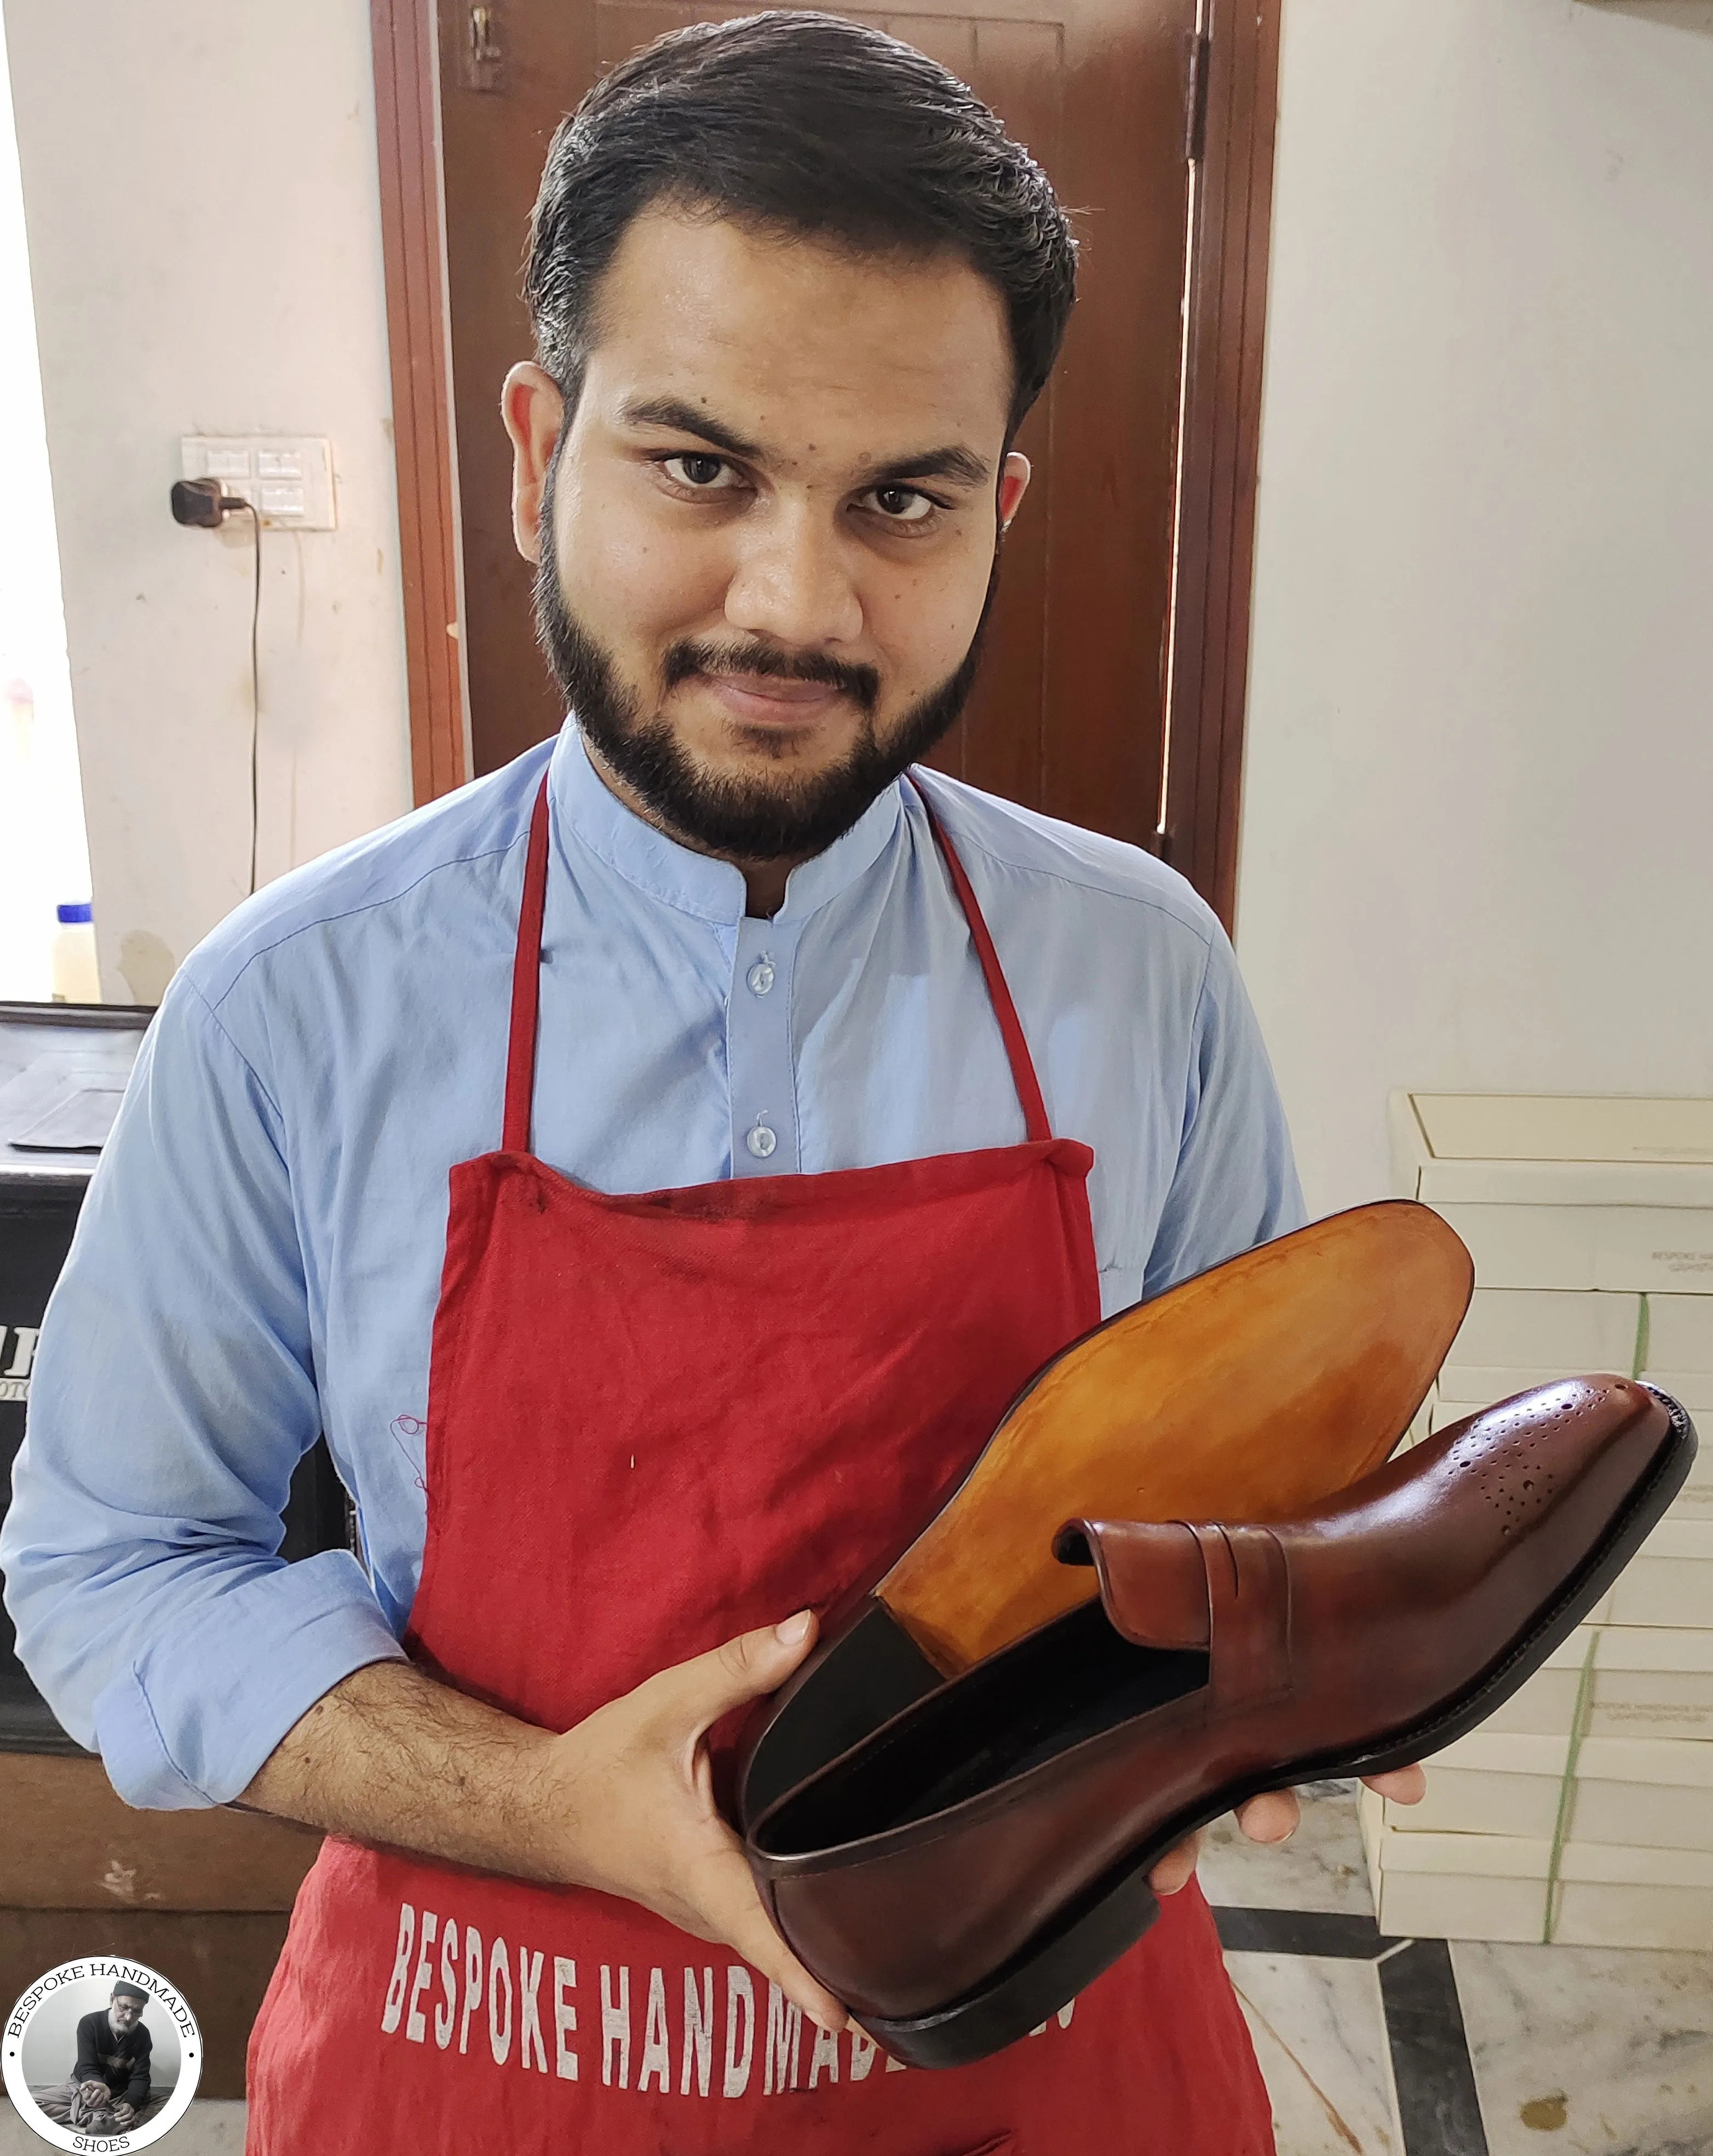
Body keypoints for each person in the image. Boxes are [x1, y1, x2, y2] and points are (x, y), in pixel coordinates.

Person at [0, 14, 1422, 2149]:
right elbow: (114, 1567)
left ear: (996, 507)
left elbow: (1231, 1495)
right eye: (698, 468)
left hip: (1048, 2067)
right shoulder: (297, 1005)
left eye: (900, 503)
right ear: (530, 449)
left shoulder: (1138, 974)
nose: (794, 598)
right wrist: (539, 1801)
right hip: (484, 2068)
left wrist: (1292, 1657)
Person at [28, 1982, 160, 2132]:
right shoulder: (89, 2023)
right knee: (28, 2103)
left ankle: (100, 2117)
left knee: (173, 2104)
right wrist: (96, 2087)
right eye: (124, 2007)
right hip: (83, 2089)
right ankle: (105, 2120)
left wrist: (132, 2103)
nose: (129, 2017)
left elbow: (141, 2077)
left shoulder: (143, 2034)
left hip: (120, 2094)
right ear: (112, 1999)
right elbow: (87, 2067)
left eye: (137, 2012)